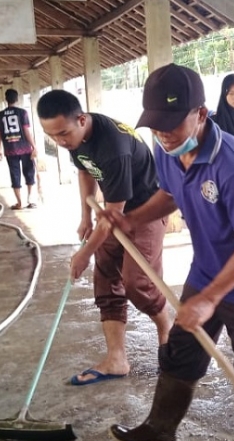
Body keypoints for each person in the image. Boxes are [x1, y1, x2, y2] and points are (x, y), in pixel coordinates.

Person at [105, 64, 234, 441]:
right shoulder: (167, 148)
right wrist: (132, 219)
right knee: (181, 352)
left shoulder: (233, 164)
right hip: (206, 271)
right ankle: (161, 428)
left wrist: (209, 300)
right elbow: (170, 194)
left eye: (171, 124)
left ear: (201, 114)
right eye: (156, 126)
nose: (163, 134)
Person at [37, 90, 171, 385]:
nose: (60, 141)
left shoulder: (113, 147)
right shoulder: (77, 137)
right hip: (113, 210)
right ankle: (116, 359)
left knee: (138, 283)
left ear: (81, 120)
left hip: (145, 212)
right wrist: (85, 216)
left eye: (63, 134)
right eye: (52, 136)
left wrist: (84, 254)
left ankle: (167, 330)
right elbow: (85, 170)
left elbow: (113, 217)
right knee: (106, 279)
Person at [0, 89, 38, 210]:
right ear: (17, 99)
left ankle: (19, 203)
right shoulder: (22, 112)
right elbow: (26, 131)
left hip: (10, 150)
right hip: (25, 148)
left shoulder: (0, 115)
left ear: (6, 99)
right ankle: (30, 200)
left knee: (15, 175)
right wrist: (34, 146)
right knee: (29, 173)